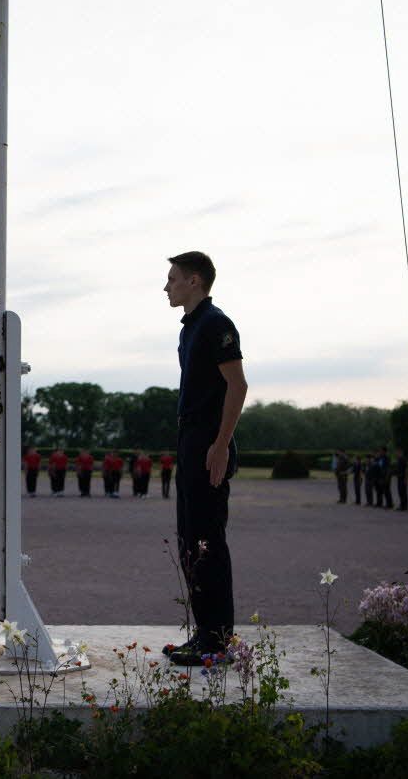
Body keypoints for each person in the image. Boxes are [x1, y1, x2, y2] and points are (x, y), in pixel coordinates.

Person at [160, 251, 247, 665]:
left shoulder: (216, 324)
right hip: (191, 438)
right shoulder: (190, 328)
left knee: (208, 541)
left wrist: (221, 443)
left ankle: (217, 642)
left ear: (194, 281)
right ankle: (205, 635)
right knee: (190, 542)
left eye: (173, 279)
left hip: (208, 442)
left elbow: (238, 386)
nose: (166, 286)